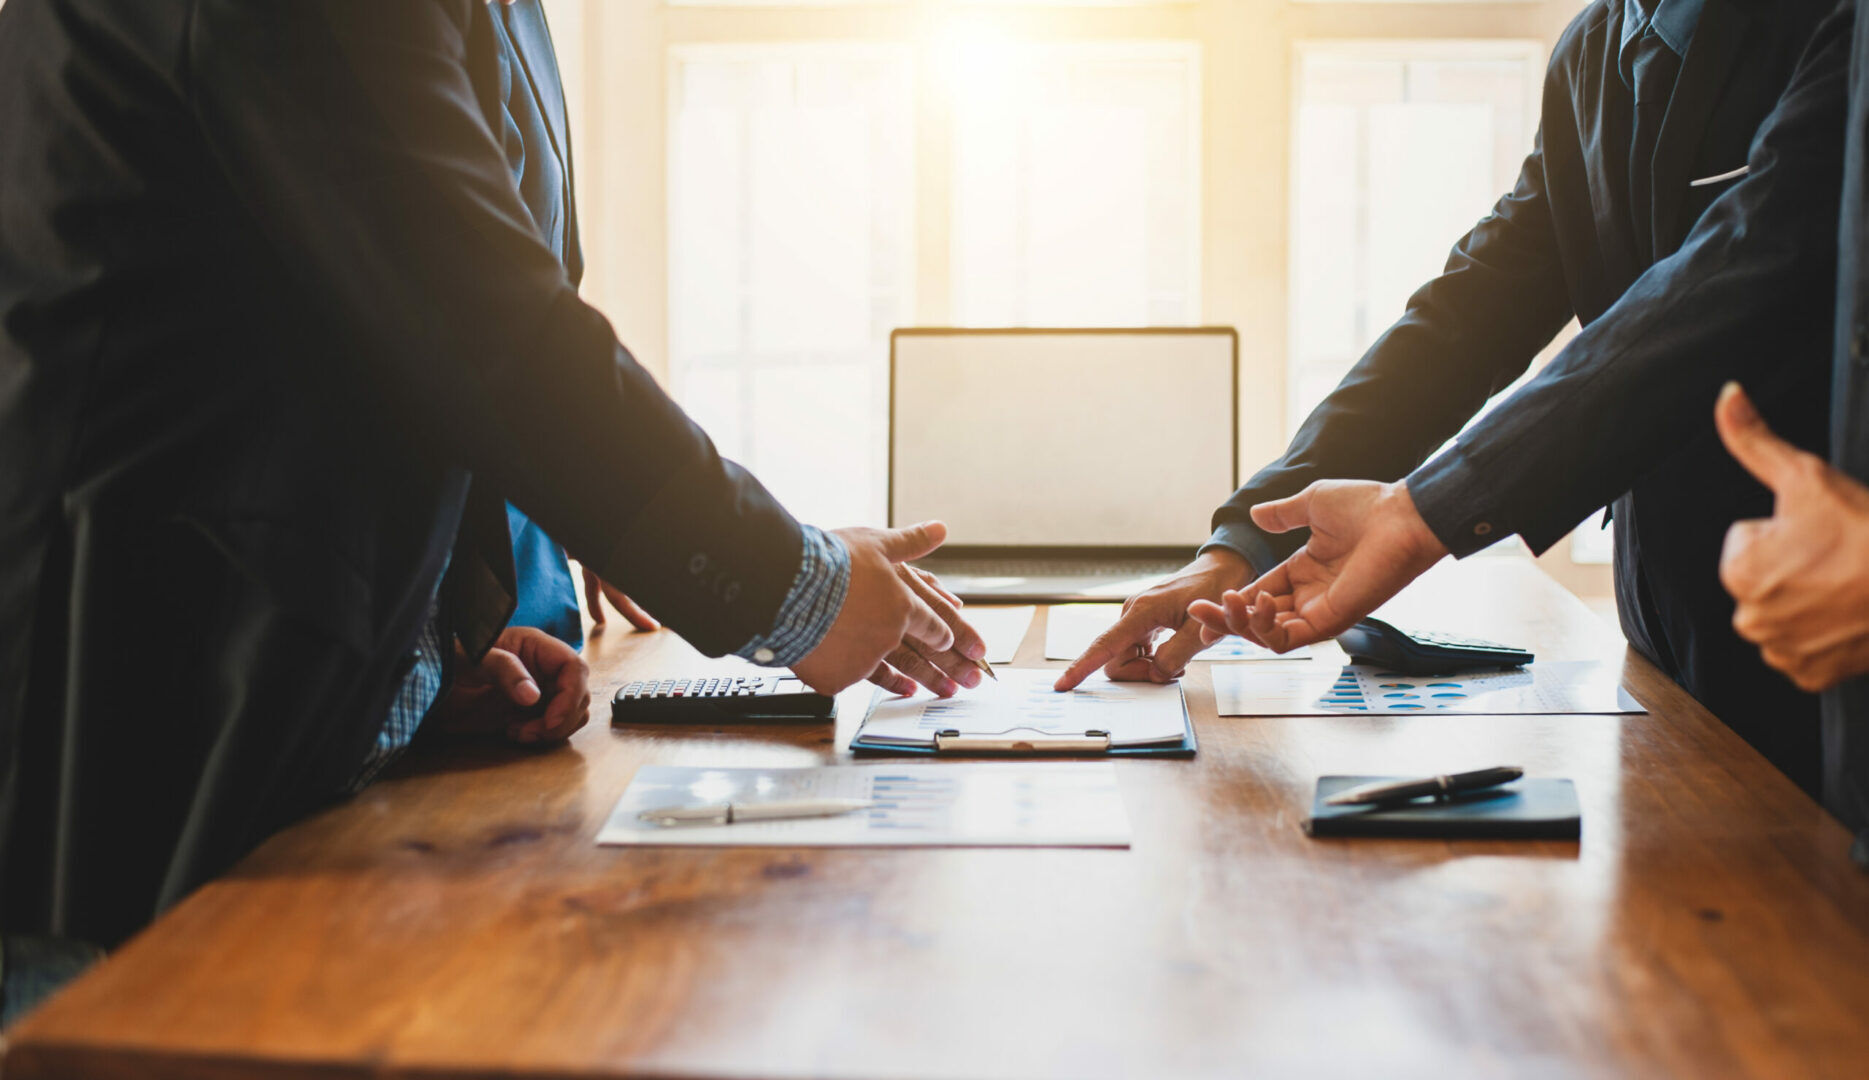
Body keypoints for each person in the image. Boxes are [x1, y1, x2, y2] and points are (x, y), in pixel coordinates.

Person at [0, 0, 989, 974]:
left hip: (282, 680)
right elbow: (477, 324)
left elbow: (429, 311)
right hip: (121, 712)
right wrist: (794, 584)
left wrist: (424, 650)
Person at [1059, 0, 1842, 794]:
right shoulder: (1591, 48)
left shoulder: (1833, 23)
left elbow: (1736, 272)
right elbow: (1473, 311)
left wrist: (1424, 509)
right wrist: (1240, 548)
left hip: (1824, 610)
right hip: (1663, 618)